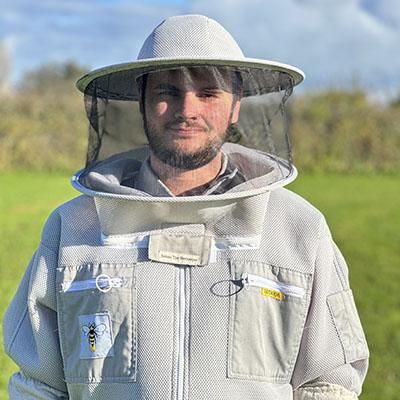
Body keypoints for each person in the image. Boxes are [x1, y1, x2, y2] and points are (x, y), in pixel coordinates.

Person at [3, 14, 369, 400]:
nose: (186, 109)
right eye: (167, 92)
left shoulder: (300, 229)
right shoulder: (73, 228)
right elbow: (38, 386)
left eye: (208, 93)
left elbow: (330, 384)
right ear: (142, 102)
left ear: (235, 105)